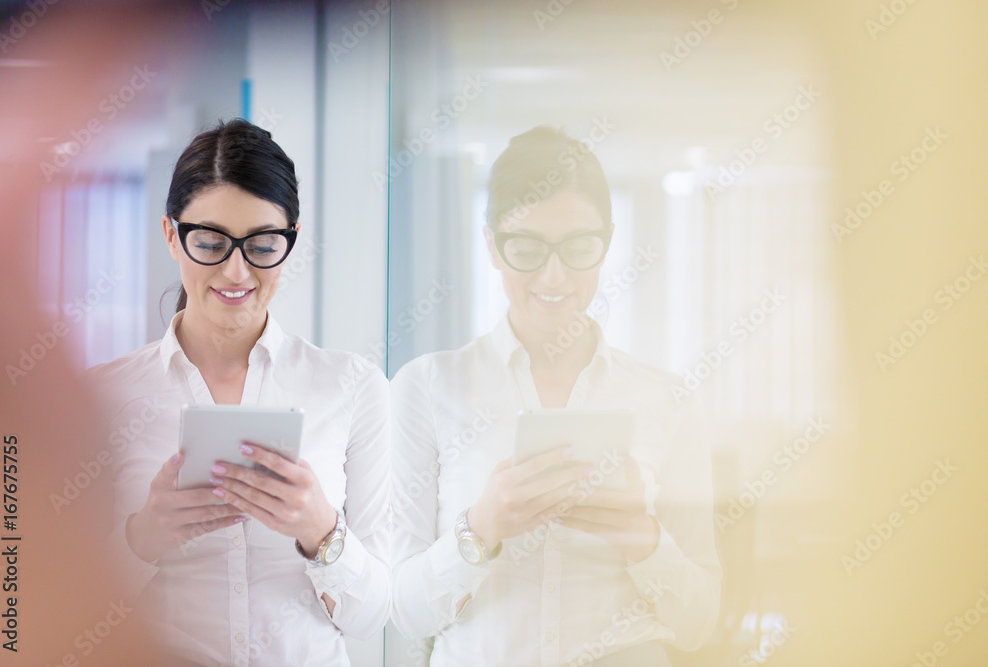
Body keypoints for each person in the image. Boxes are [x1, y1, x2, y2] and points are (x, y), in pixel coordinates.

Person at [390, 126, 721, 666]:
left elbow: (699, 624)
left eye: (579, 248)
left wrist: (642, 536)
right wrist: (482, 528)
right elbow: (404, 610)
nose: (554, 274)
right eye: (526, 248)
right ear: (492, 246)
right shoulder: (427, 388)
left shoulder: (668, 401)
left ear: (607, 242)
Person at [91, 119, 390, 666]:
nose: (235, 270)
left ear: (291, 239)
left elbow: (372, 618)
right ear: (170, 235)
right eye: (208, 242)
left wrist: (321, 531)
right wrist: (142, 539)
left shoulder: (352, 387)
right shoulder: (103, 398)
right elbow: (43, 606)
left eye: (262, 244)